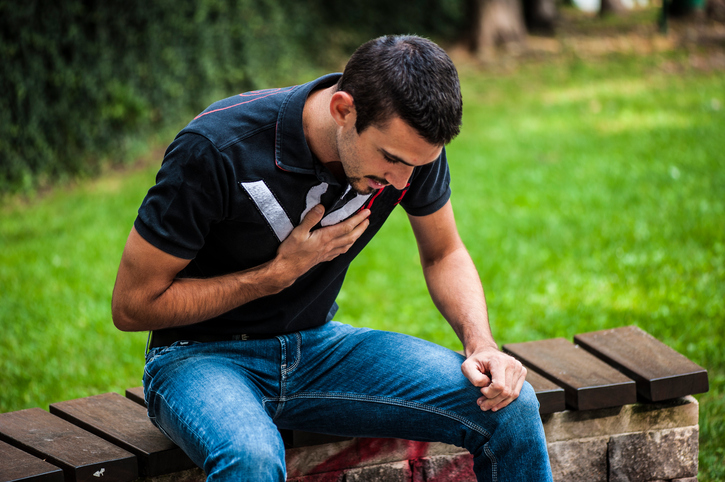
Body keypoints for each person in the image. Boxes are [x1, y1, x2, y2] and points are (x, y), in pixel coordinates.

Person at [111, 34, 552, 482]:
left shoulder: (409, 155)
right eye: (391, 159)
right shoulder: (218, 148)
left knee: (511, 407)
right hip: (197, 358)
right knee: (252, 461)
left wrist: (481, 344)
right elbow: (132, 305)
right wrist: (273, 276)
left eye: (416, 166)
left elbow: (444, 253)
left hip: (317, 349)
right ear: (343, 110)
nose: (400, 180)